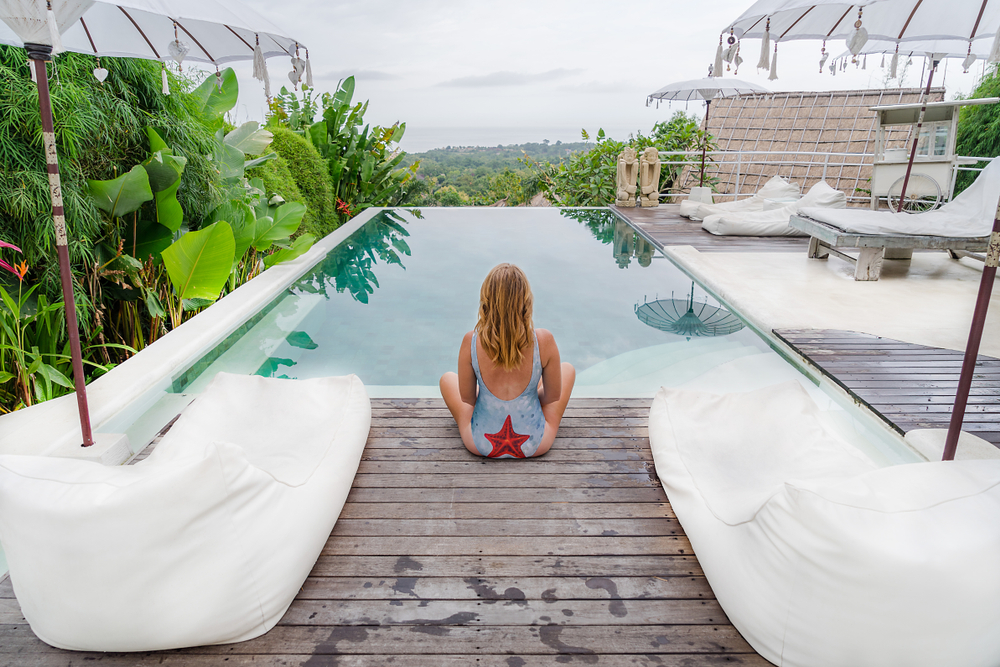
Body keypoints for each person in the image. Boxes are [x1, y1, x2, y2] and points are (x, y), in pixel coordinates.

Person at [439, 263, 575, 458]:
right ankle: (526, 394)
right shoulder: (543, 341)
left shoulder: (471, 341)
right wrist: (529, 397)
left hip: (481, 443)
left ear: (486, 301)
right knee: (567, 369)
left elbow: (468, 399)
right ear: (526, 301)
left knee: (447, 379)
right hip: (534, 443)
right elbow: (552, 397)